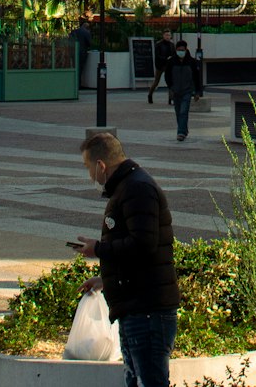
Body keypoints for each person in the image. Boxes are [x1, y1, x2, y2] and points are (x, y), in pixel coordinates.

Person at [75, 131, 179, 387]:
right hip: (137, 306)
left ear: (101, 166)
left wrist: (98, 249)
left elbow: (143, 244)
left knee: (150, 381)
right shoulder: (128, 187)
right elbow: (136, 249)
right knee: (137, 381)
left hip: (147, 311)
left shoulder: (137, 188)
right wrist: (105, 280)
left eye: (89, 167)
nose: (90, 175)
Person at [163, 39, 201, 141]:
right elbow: (167, 76)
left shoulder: (192, 62)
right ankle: (184, 129)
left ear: (186, 49)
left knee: (184, 111)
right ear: (176, 50)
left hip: (187, 91)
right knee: (178, 112)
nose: (181, 52)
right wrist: (170, 88)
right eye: (179, 50)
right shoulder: (171, 62)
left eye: (182, 50)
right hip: (175, 91)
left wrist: (197, 92)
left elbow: (197, 77)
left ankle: (180, 132)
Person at [146, 29, 174, 104]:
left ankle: (171, 98)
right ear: (163, 35)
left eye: (169, 35)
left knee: (170, 82)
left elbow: (174, 54)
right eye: (166, 35)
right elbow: (157, 56)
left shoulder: (172, 45)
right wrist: (165, 58)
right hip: (160, 65)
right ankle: (150, 95)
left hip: (168, 65)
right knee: (156, 81)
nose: (168, 37)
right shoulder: (159, 44)